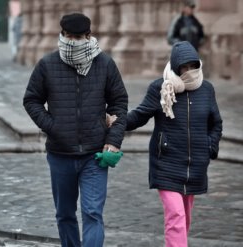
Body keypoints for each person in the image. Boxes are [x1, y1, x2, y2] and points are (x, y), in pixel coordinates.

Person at [23, 13, 128, 247]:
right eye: (69, 36)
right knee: (65, 214)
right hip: (60, 154)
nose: (74, 42)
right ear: (62, 35)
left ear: (88, 36)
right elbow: (32, 100)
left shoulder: (105, 64)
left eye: (78, 37)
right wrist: (53, 126)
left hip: (95, 154)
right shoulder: (47, 65)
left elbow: (119, 103)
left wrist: (114, 139)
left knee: (92, 212)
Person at [124, 41, 222, 247]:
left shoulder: (206, 89)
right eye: (183, 67)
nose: (188, 71)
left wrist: (210, 147)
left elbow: (216, 123)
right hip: (166, 164)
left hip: (195, 166)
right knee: (176, 216)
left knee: (184, 218)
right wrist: (115, 122)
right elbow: (140, 115)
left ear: (198, 65)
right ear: (176, 67)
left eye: (192, 66)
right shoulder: (160, 88)